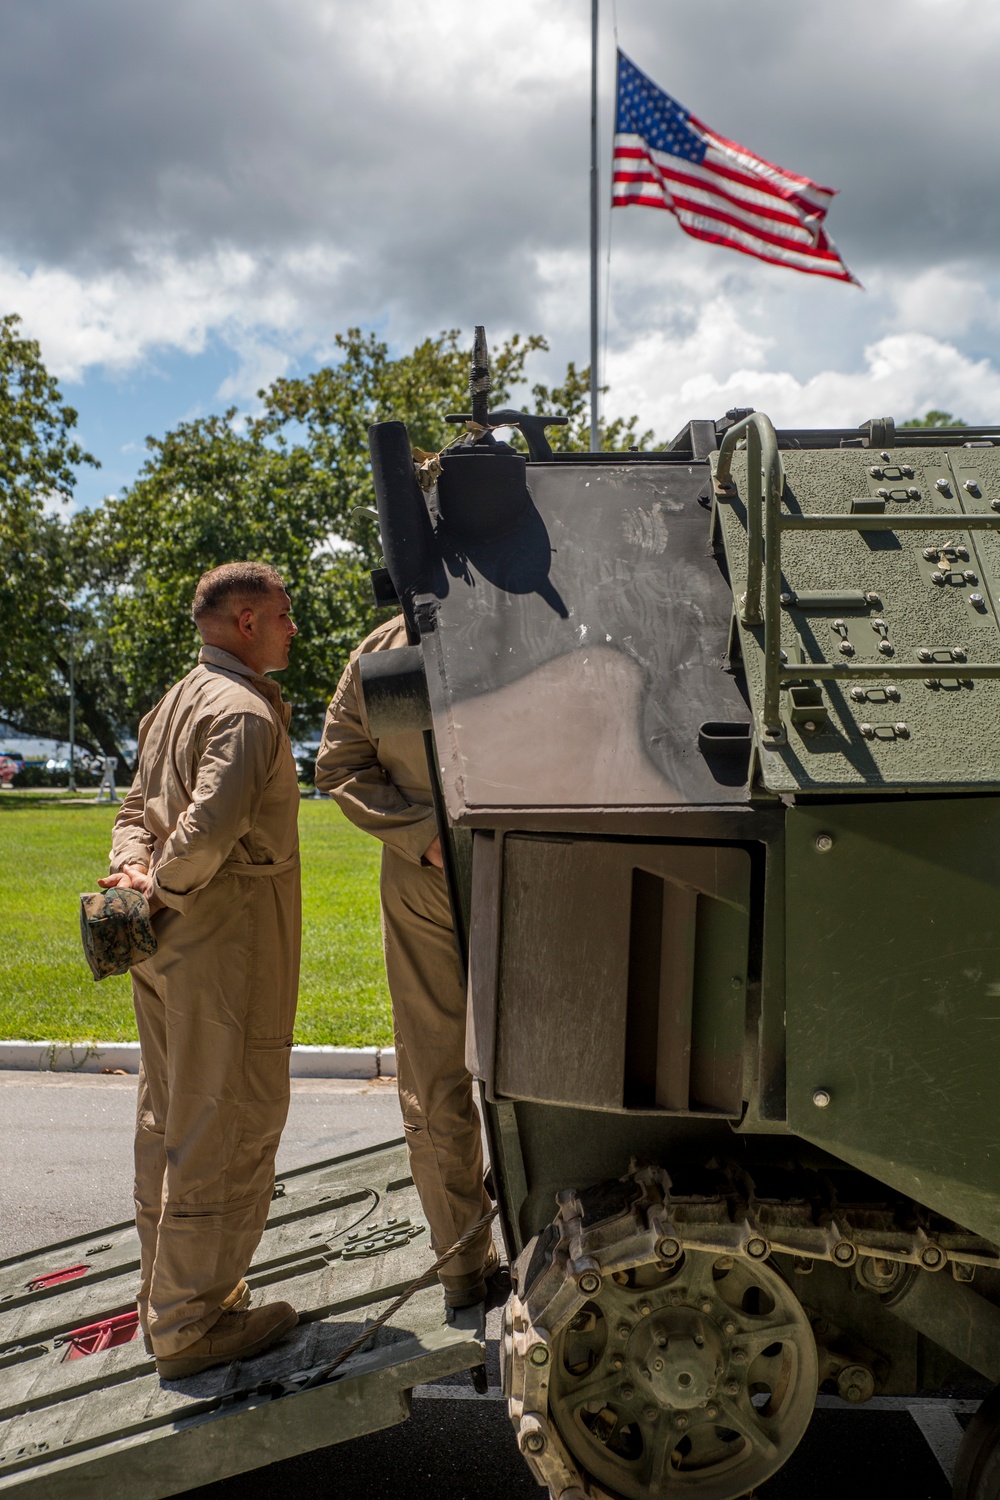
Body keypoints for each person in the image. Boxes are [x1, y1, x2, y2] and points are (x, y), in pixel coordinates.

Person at [101, 562, 301, 1379]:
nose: (294, 628)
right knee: (228, 1122)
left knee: (170, 1114)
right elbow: (209, 831)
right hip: (223, 939)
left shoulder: (175, 699)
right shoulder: (242, 712)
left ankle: (173, 1296)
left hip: (170, 941)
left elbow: (132, 812)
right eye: (285, 615)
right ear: (247, 621)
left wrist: (132, 877)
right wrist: (161, 890)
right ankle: (190, 1324)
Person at [315, 614, 497, 1310]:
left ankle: (465, 1271)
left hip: (436, 867)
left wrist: (421, 837)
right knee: (444, 1073)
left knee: (436, 1072)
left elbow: (340, 762)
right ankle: (476, 1264)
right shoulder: (391, 651)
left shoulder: (390, 647)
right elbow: (340, 763)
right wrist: (428, 839)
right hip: (466, 868)